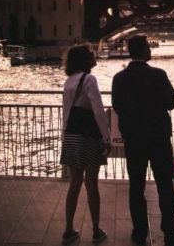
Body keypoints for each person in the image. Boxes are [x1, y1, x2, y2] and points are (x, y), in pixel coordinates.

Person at [111, 34, 174, 246]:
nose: (151, 50)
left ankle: (140, 231)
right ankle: (169, 231)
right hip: (158, 137)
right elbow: (171, 102)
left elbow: (117, 106)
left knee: (136, 186)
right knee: (165, 185)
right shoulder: (159, 75)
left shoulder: (119, 78)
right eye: (148, 48)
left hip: (134, 139)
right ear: (143, 50)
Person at [60, 44, 111, 244]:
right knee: (92, 185)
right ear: (84, 60)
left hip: (71, 137)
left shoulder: (68, 81)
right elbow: (98, 110)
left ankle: (68, 229)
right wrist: (106, 138)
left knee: (74, 184)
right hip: (88, 138)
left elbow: (67, 114)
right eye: (91, 55)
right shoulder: (89, 80)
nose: (94, 56)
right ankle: (96, 230)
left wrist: (65, 137)